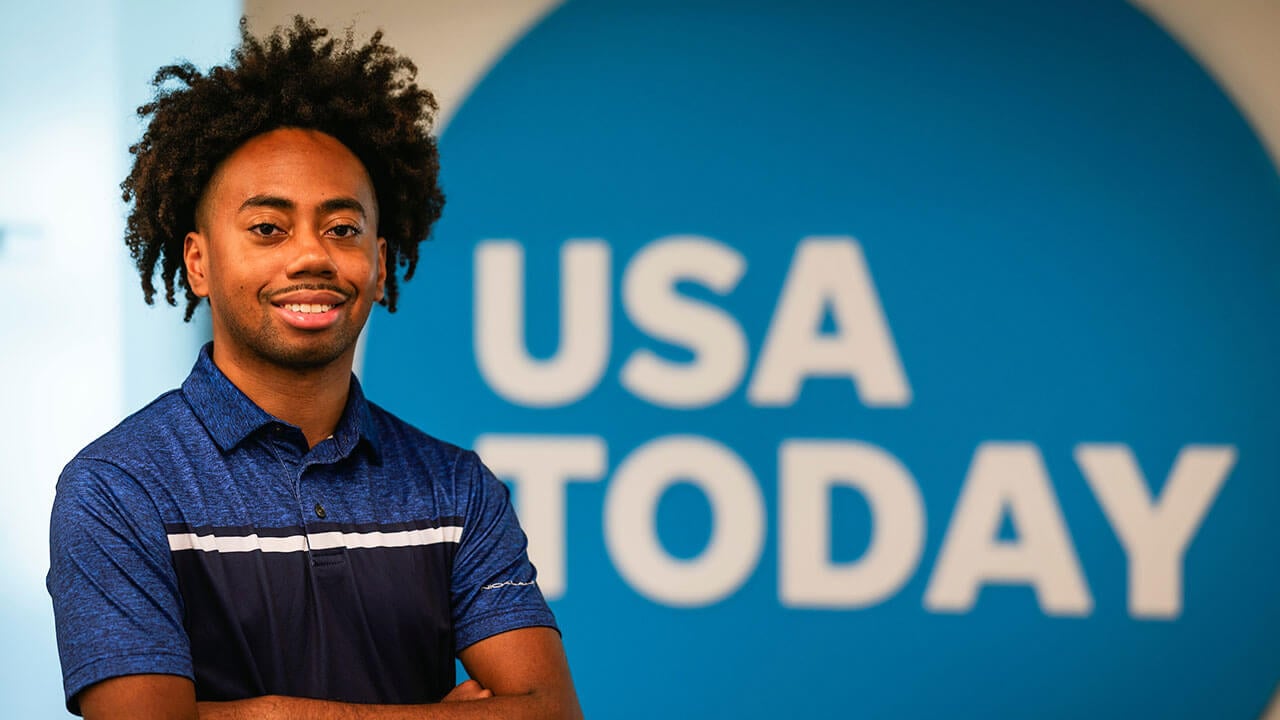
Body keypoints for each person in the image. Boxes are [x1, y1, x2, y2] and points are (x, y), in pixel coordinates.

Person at [46, 16, 582, 720]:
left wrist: (266, 714)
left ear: (381, 264)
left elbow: (549, 711)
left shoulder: (456, 488)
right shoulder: (119, 488)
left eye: (342, 229)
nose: (312, 256)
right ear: (199, 262)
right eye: (268, 228)